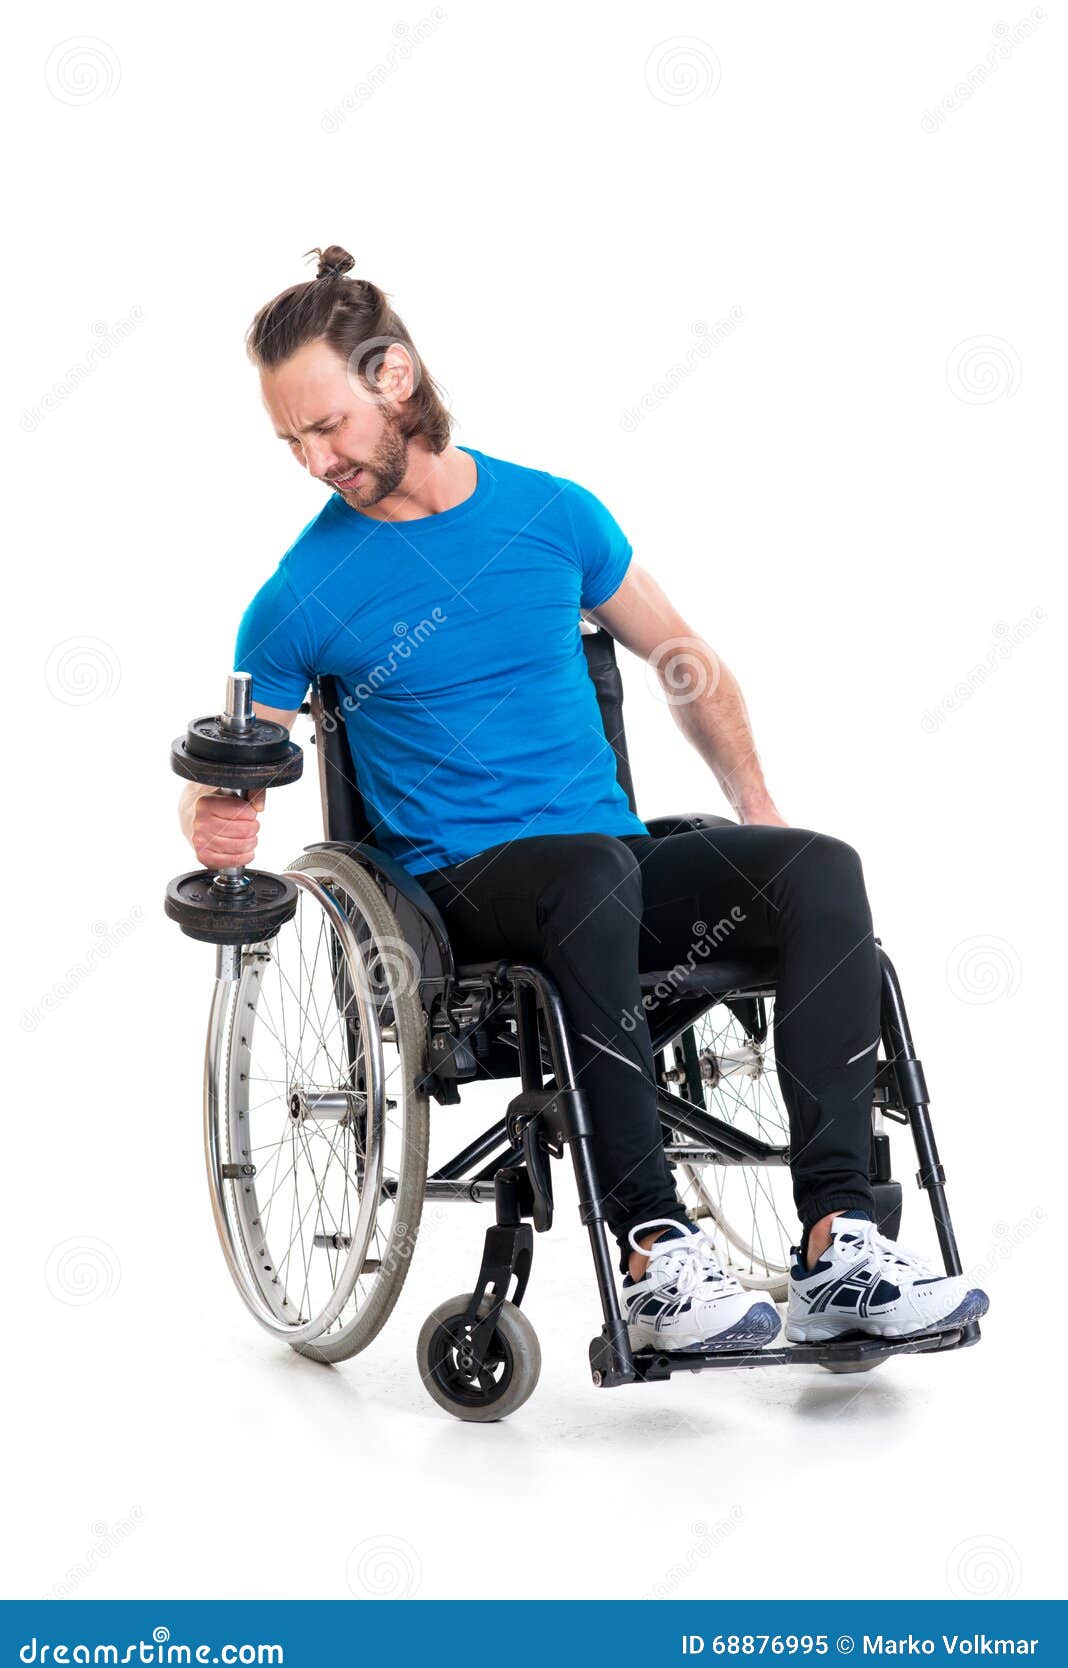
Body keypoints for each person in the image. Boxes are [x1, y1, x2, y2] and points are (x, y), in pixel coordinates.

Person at [179, 245, 989, 1355]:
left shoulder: (553, 514)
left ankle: (839, 1239)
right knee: (589, 870)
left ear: (395, 380)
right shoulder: (299, 596)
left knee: (818, 868)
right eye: (292, 441)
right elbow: (236, 783)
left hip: (601, 868)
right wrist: (213, 820)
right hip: (459, 896)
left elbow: (683, 656)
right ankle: (656, 1257)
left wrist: (757, 807)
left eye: (326, 426)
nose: (314, 459)